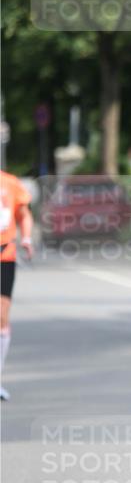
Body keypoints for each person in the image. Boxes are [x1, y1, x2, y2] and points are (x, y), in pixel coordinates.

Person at [0, 171, 34, 400]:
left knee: (1, 318)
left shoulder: (10, 182)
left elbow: (24, 214)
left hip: (5, 254)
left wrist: (27, 238)